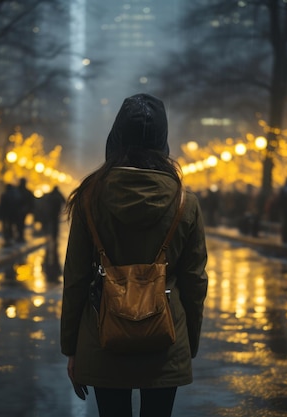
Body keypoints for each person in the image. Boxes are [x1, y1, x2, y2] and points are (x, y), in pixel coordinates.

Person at [60, 93, 208, 417]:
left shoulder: (90, 198)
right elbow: (195, 281)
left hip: (103, 340)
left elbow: (75, 280)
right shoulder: (185, 203)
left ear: (116, 138)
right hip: (166, 341)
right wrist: (188, 343)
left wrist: (71, 348)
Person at [15, 178, 35, 242]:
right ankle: (20, 236)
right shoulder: (26, 192)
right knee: (21, 223)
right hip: (22, 210)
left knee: (19, 223)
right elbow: (31, 201)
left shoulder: (17, 191)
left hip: (19, 210)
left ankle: (20, 236)